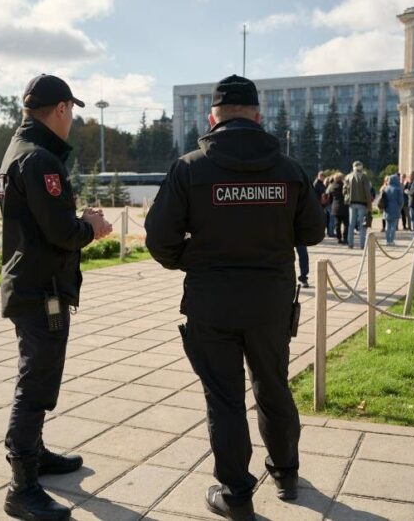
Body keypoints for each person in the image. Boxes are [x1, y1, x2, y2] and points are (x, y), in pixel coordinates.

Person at [144, 75, 325, 521]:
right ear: (258, 117)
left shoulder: (190, 168)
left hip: (212, 302)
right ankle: (285, 473)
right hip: (270, 302)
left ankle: (236, 493)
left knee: (224, 398)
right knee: (273, 387)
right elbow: (314, 231)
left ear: (213, 118)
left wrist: (198, 258)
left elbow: (159, 238)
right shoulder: (288, 169)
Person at [0, 74, 112, 521]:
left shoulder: (17, 150)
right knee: (36, 384)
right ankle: (21, 486)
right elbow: (62, 233)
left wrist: (75, 220)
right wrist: (91, 226)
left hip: (28, 282)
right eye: (73, 112)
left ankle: (36, 455)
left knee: (38, 376)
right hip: (40, 289)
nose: (74, 122)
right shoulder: (41, 159)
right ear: (61, 109)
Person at [343, 160, 372, 249]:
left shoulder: (348, 177)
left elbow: (344, 190)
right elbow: (367, 192)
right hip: (362, 203)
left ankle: (350, 244)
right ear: (361, 167)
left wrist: (347, 197)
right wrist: (369, 206)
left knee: (351, 224)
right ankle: (362, 245)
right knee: (362, 224)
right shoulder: (364, 177)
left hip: (351, 203)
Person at [381, 174, 404, 245]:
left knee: (387, 226)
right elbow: (400, 201)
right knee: (393, 226)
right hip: (395, 208)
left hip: (387, 209)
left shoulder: (386, 188)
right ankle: (391, 240)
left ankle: (387, 240)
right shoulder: (398, 189)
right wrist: (400, 207)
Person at [327, 172, 349, 244]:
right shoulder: (344, 185)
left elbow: (329, 197)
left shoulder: (332, 186)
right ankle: (345, 238)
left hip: (335, 206)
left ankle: (339, 238)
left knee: (337, 223)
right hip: (344, 206)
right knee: (346, 224)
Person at [314, 171, 332, 237]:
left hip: (323, 204)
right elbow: (315, 194)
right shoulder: (316, 184)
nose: (322, 177)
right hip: (319, 204)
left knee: (324, 219)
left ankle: (322, 232)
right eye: (321, 176)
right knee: (319, 220)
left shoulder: (321, 184)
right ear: (318, 176)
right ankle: (317, 233)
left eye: (323, 176)